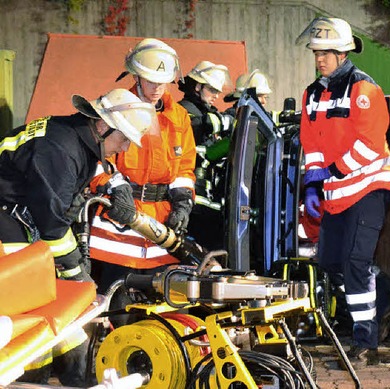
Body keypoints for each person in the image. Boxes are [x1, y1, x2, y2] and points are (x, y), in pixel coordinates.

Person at [0, 88, 155, 386]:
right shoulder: (59, 150)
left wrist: (114, 183)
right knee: (31, 314)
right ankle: (36, 380)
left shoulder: (72, 138)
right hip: (8, 226)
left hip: (21, 220)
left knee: (58, 316)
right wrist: (79, 277)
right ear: (103, 125)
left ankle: (70, 378)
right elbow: (53, 228)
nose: (123, 148)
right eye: (123, 138)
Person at [295, 17, 390, 367]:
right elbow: (311, 144)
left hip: (369, 187)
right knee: (329, 264)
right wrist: (313, 181)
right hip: (337, 192)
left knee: (356, 263)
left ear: (343, 53)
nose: (320, 59)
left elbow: (370, 145)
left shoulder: (364, 90)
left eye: (326, 53)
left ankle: (365, 344)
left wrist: (331, 172)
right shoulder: (312, 93)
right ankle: (371, 312)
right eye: (316, 53)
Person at [89, 38, 197, 318]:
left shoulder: (179, 117)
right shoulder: (114, 108)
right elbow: (98, 158)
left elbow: (184, 168)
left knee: (163, 302)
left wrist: (183, 201)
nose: (157, 89)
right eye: (150, 81)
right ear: (136, 76)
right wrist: (115, 188)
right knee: (114, 303)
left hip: (160, 222)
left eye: (163, 82)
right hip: (119, 220)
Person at [178, 61, 233, 250]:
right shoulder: (185, 111)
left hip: (204, 197)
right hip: (190, 199)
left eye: (217, 91)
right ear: (197, 86)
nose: (216, 95)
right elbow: (207, 125)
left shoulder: (205, 111)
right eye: (211, 90)